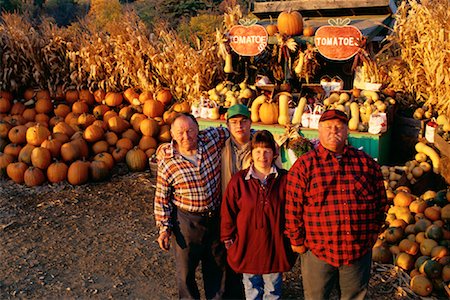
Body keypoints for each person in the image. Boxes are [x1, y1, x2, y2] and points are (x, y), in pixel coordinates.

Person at [285, 109, 388, 300]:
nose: (334, 131)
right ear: (319, 130)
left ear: (347, 131)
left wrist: (373, 233)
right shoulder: (305, 166)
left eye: (339, 127)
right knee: (316, 297)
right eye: (328, 127)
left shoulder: (365, 164)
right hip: (318, 251)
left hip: (356, 250)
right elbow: (293, 207)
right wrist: (297, 241)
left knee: (354, 296)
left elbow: (381, 202)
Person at [154, 112, 229, 299]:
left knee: (217, 267)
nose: (186, 137)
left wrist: (265, 140)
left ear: (198, 129)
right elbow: (162, 197)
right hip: (187, 221)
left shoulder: (211, 139)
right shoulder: (168, 161)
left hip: (214, 216)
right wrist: (164, 228)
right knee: (186, 271)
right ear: (172, 134)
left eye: (190, 131)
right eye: (180, 133)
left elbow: (235, 130)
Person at [221, 130, 296, 300]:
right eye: (258, 151)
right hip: (248, 244)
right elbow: (228, 211)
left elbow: (292, 211)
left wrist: (291, 238)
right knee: (252, 288)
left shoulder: (284, 180)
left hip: (274, 245)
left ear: (274, 153)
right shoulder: (239, 181)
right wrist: (228, 238)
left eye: (267, 151)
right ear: (252, 154)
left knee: (272, 289)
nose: (262, 156)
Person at [221, 104, 253, 299]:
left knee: (251, 256)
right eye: (234, 122)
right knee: (230, 255)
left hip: (252, 213)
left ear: (250, 123)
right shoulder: (221, 146)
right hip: (229, 210)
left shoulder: (261, 146)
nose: (239, 126)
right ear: (228, 125)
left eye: (243, 121)